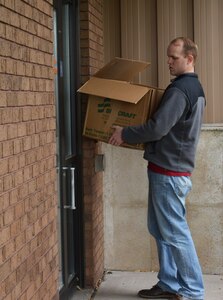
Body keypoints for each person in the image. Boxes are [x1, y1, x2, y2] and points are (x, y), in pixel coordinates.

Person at [108, 37, 205, 300]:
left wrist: (125, 133)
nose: (168, 62)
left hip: (169, 174)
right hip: (168, 171)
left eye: (174, 57)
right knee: (161, 229)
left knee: (175, 233)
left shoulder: (180, 91)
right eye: (168, 57)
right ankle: (169, 283)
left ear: (190, 58)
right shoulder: (193, 89)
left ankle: (193, 292)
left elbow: (157, 128)